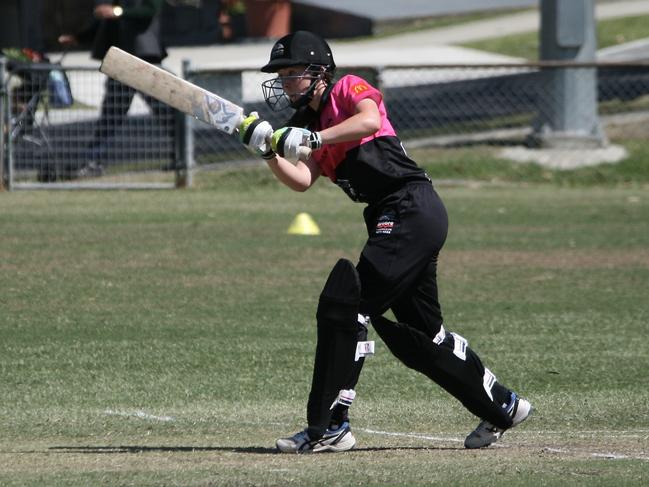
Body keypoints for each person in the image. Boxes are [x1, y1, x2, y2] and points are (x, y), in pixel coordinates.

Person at [239, 30, 533, 453]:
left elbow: (370, 120)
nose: (285, 82)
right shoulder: (307, 125)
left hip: (411, 206)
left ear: (319, 73)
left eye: (292, 73)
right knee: (421, 338)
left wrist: (315, 139)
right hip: (394, 216)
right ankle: (503, 406)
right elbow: (303, 180)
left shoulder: (346, 89)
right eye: (281, 75)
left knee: (348, 308)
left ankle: (331, 426)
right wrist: (268, 152)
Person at [59, 0, 173, 177]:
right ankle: (93, 161)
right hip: (121, 61)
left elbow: (151, 9)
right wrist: (79, 38)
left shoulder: (120, 8)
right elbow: (106, 21)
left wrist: (118, 11)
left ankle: (183, 155)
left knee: (165, 112)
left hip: (144, 56)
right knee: (111, 115)